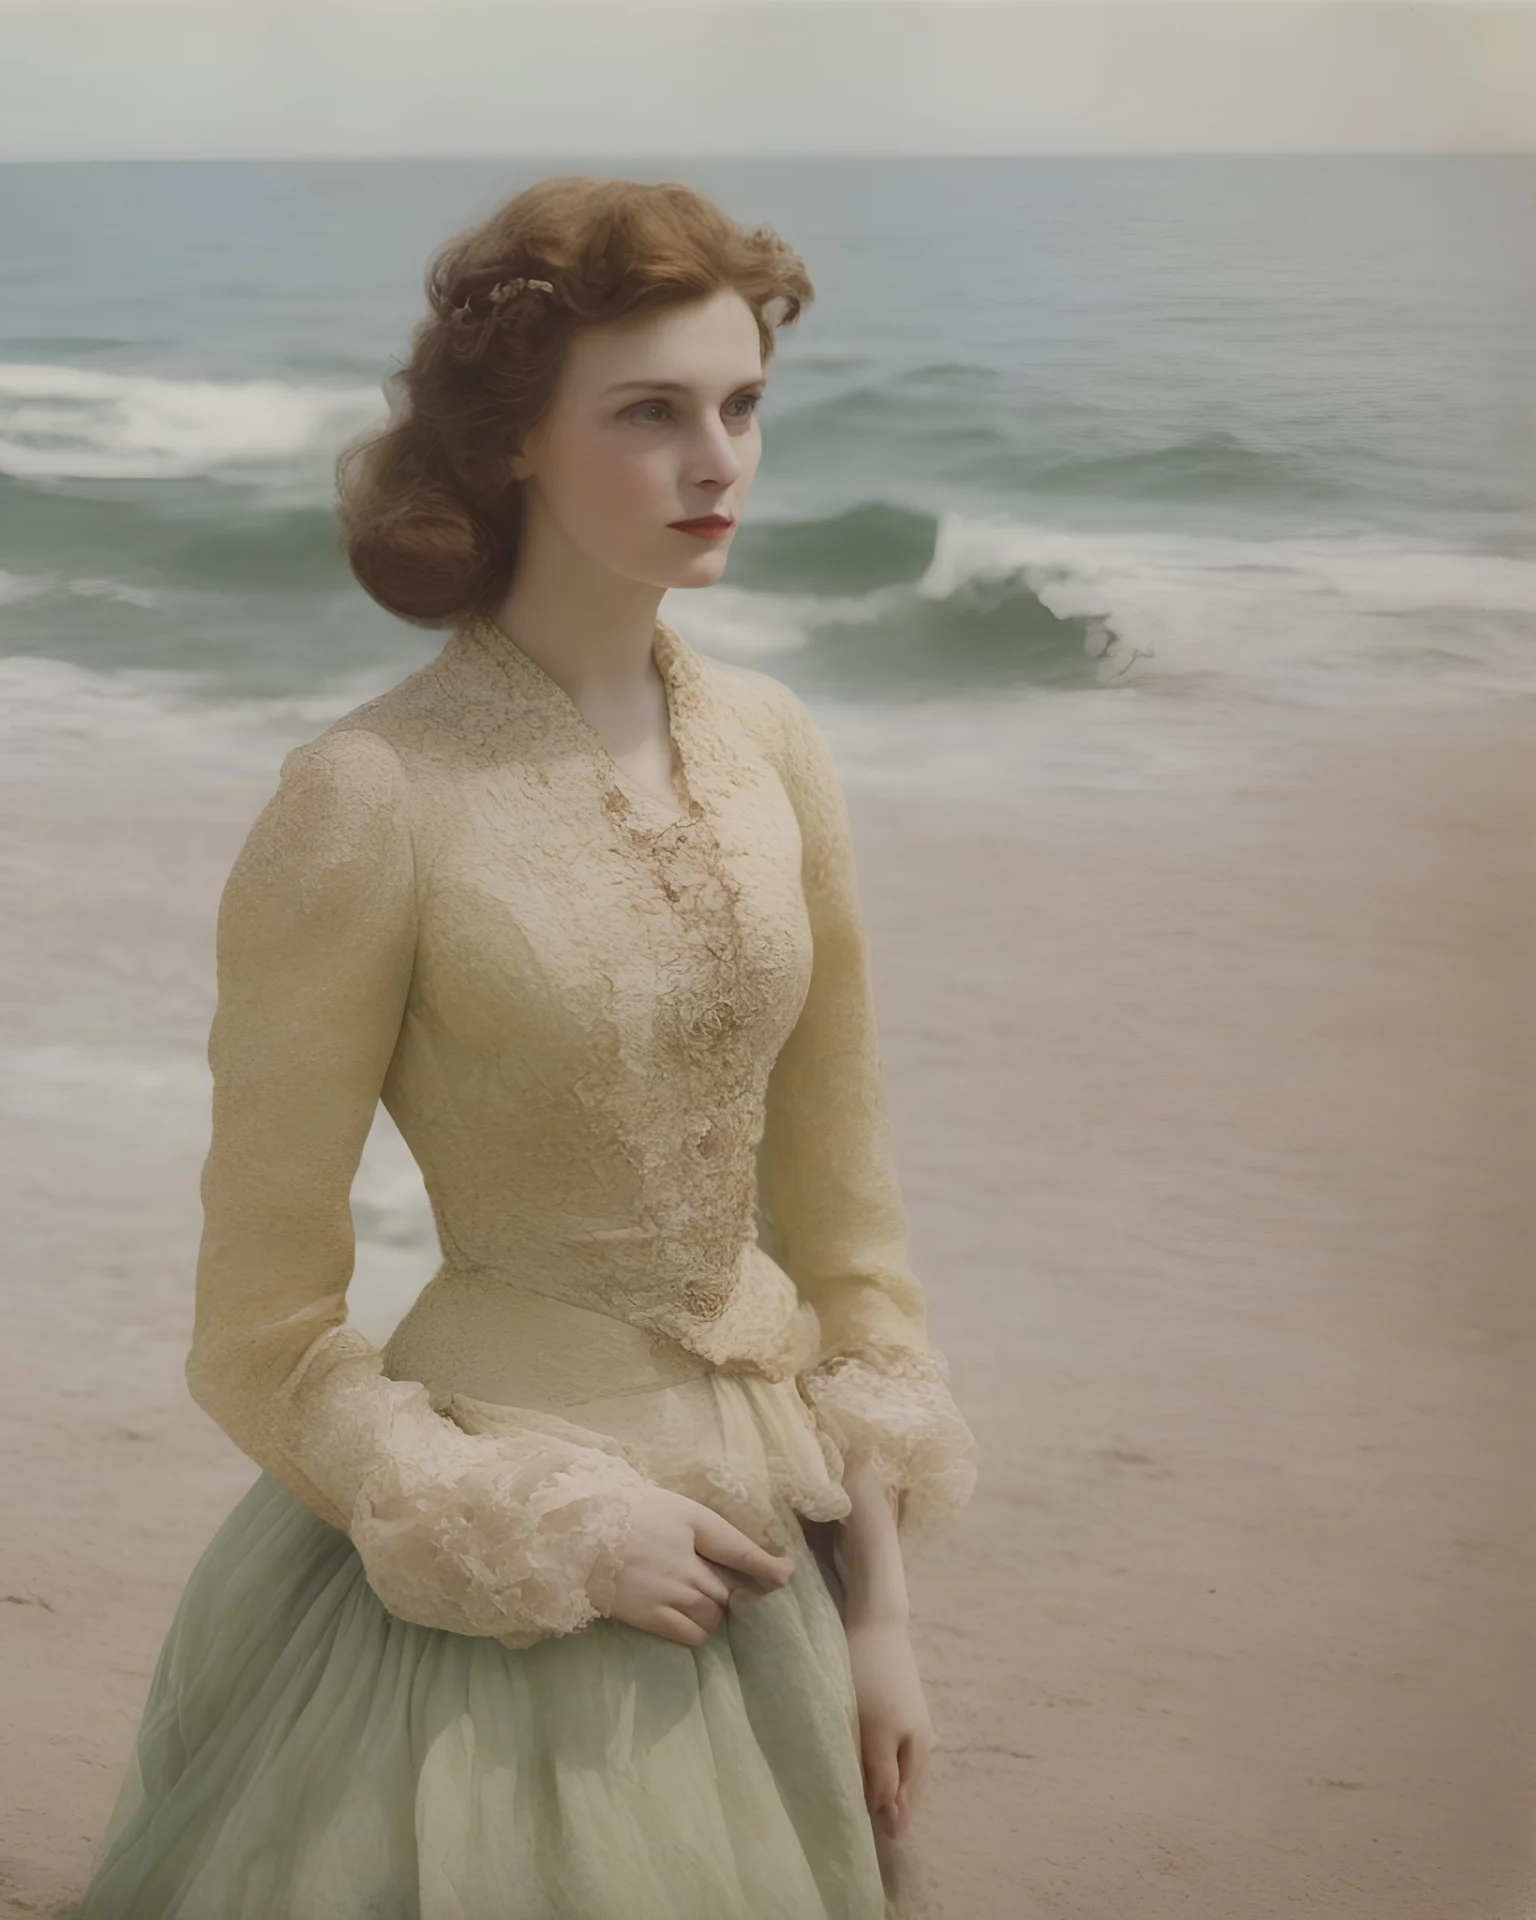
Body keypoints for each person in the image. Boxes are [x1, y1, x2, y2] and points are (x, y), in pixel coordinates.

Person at [75, 174, 978, 1920]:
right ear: (510, 449)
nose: (719, 461)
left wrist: (880, 1614)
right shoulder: (369, 798)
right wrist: (541, 1527)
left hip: (775, 1562)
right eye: (650, 413)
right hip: (507, 1564)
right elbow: (254, 1331)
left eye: (742, 406)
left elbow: (848, 1234)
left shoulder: (778, 749)